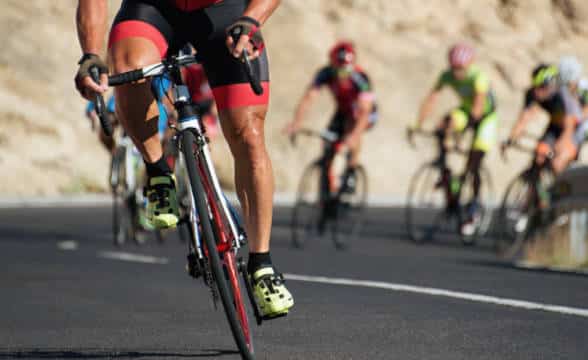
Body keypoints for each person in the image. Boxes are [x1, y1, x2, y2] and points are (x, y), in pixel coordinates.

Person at [74, 0, 293, 319]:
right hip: (152, 9)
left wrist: (251, 19)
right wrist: (90, 55)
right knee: (127, 66)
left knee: (249, 135)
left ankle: (262, 265)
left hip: (225, 14)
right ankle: (159, 172)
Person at [413, 43, 498, 235]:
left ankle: (475, 203)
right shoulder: (447, 76)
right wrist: (418, 123)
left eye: (461, 69)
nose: (457, 73)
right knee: (443, 126)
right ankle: (445, 172)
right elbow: (432, 98)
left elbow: (477, 109)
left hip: (486, 117)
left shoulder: (478, 77)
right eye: (454, 68)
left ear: (469, 66)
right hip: (466, 111)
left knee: (474, 162)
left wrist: (460, 135)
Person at [284, 41, 377, 191]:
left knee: (351, 130)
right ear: (332, 64)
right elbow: (308, 98)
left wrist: (354, 136)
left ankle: (351, 171)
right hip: (342, 109)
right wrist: (296, 123)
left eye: (346, 71)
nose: (342, 75)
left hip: (363, 111)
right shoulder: (325, 73)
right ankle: (328, 185)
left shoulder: (361, 78)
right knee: (328, 140)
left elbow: (365, 112)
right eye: (338, 70)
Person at [504, 62, 583, 176]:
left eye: (542, 87)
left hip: (574, 129)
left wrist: (561, 145)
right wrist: (511, 138)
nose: (537, 92)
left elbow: (569, 124)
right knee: (539, 156)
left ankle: (563, 190)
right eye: (535, 87)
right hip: (555, 126)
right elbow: (524, 117)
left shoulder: (562, 95)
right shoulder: (532, 94)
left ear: (551, 85)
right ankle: (534, 189)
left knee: (557, 162)